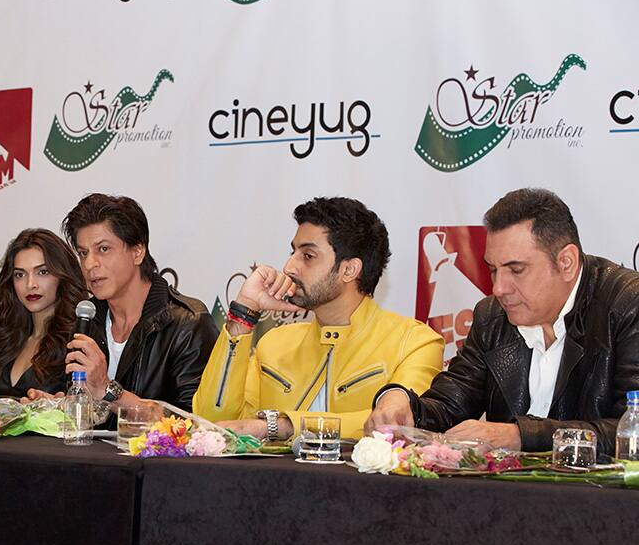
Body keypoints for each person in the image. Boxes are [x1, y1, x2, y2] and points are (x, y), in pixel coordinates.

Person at [366, 188, 639, 455]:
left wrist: (521, 436)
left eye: (516, 270)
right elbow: (448, 405)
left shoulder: (628, 304)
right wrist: (401, 401)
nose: (498, 288)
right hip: (506, 497)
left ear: (566, 262)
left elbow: (632, 430)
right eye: (493, 270)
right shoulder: (492, 316)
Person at [193, 197, 444, 441]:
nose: (289, 267)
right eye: (293, 252)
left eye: (308, 256)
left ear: (349, 270)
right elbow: (213, 423)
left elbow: (397, 424)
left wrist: (282, 427)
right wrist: (243, 314)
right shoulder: (275, 343)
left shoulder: (415, 342)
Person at [27, 193, 218, 418]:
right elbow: (94, 412)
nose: (89, 264)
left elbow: (196, 426)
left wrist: (107, 390)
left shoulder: (188, 323)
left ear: (137, 252)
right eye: (83, 253)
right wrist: (61, 406)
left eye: (103, 249)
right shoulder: (87, 318)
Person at [0, 228, 88, 398]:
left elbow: (90, 409)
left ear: (62, 276)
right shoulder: (9, 338)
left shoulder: (78, 340)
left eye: (42, 272)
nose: (30, 284)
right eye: (20, 274)